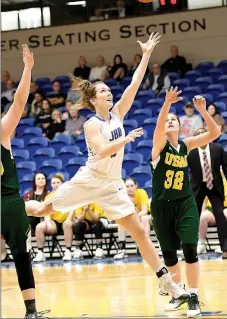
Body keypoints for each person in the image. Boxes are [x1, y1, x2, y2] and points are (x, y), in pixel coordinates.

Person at [25, 33, 189, 301]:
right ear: (93, 100)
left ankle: (166, 282)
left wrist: (147, 54)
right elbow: (101, 150)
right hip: (90, 179)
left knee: (138, 230)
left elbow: (134, 83)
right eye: (103, 91)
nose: (109, 92)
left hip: (112, 185)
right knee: (44, 208)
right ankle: (11, 206)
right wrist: (125, 138)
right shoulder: (92, 124)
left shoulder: (117, 114)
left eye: (109, 89)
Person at [150, 87, 221, 316]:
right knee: (169, 255)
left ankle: (193, 296)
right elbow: (159, 126)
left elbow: (214, 133)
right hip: (161, 207)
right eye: (168, 120)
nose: (170, 121)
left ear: (181, 127)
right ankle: (178, 293)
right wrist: (167, 104)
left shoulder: (186, 145)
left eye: (174, 120)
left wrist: (202, 111)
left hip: (185, 204)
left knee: (190, 249)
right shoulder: (159, 146)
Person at [1, 45, 47, 318]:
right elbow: (19, 103)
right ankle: (31, 311)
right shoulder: (2, 132)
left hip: (8, 202)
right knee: (21, 257)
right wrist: (27, 69)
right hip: (8, 203)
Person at [187, 128, 227, 259]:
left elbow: (226, 168)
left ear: (208, 136)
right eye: (197, 135)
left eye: (203, 134)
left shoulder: (217, 148)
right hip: (198, 187)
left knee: (220, 215)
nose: (200, 136)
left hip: (215, 186)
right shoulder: (191, 153)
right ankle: (191, 249)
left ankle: (225, 248)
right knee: (193, 216)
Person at [33, 174, 69, 262]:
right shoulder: (49, 196)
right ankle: (40, 252)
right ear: (51, 185)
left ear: (62, 183)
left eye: (58, 182)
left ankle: (68, 251)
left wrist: (69, 219)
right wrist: (48, 223)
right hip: (55, 222)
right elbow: (46, 213)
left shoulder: (68, 194)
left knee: (68, 224)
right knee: (39, 227)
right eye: (54, 183)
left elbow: (73, 209)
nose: (56, 184)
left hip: (67, 220)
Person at [114, 178, 152, 260]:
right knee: (121, 223)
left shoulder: (141, 192)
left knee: (144, 218)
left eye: (131, 186)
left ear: (136, 186)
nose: (130, 188)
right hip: (130, 218)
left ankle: (146, 248)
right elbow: (122, 213)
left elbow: (144, 211)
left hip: (142, 216)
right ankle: (122, 250)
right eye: (127, 186)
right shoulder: (123, 196)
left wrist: (133, 206)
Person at [197, 175, 227, 255]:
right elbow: (204, 199)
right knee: (203, 216)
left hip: (225, 208)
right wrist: (201, 211)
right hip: (212, 209)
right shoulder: (212, 181)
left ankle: (224, 245)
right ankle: (201, 245)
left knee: (224, 213)